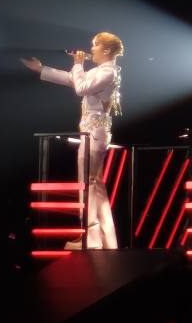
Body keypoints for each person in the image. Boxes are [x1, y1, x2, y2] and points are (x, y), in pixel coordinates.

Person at [21, 32, 124, 249]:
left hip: (94, 133)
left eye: (95, 45)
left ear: (106, 50)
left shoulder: (108, 72)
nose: (91, 49)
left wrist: (78, 64)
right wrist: (41, 69)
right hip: (93, 132)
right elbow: (73, 79)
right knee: (94, 184)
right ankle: (104, 238)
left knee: (88, 183)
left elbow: (81, 88)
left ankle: (91, 237)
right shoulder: (101, 71)